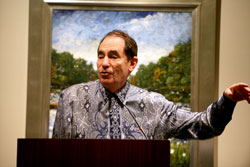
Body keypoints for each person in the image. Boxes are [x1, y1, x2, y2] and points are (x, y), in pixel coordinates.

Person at [52, 30, 250, 139]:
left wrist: (227, 99)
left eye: (113, 56)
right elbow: (55, 157)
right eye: (100, 56)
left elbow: (203, 126)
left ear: (132, 63)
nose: (104, 63)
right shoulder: (71, 98)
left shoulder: (154, 104)